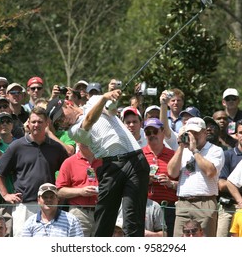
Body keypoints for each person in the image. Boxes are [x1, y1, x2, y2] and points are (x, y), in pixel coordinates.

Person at [46, 90, 150, 237]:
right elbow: (89, 120)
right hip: (111, 166)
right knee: (104, 216)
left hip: (135, 160)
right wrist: (104, 99)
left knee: (133, 217)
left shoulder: (94, 100)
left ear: (68, 104)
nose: (63, 122)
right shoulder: (73, 131)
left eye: (61, 116)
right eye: (58, 122)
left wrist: (112, 98)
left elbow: (112, 107)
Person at [0, 106, 68, 237]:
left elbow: (67, 172)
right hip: (24, 206)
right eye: (33, 121)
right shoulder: (17, 146)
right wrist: (5, 195)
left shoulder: (56, 148)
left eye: (40, 122)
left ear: (47, 123)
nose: (36, 125)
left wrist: (61, 194)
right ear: (28, 122)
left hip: (49, 205)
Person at [167, 117, 225, 237]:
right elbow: (172, 172)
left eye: (196, 133)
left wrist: (195, 151)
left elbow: (210, 172)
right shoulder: (183, 151)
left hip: (205, 203)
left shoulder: (215, 150)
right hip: (183, 203)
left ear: (205, 133)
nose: (192, 136)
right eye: (190, 133)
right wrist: (181, 147)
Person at [217, 119, 242, 237]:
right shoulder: (227, 155)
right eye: (241, 132)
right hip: (228, 207)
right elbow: (221, 184)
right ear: (236, 135)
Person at [56, 143, 102, 236]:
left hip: (102, 212)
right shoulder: (69, 162)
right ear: (77, 142)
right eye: (82, 140)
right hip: (79, 212)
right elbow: (59, 191)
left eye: (88, 139)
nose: (86, 142)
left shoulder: (104, 161)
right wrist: (80, 191)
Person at [142, 118, 177, 237]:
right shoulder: (139, 155)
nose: (152, 135)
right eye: (148, 132)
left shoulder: (173, 155)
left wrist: (170, 183)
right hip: (145, 208)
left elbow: (184, 185)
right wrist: (144, 180)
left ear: (162, 132)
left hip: (168, 207)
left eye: (155, 131)